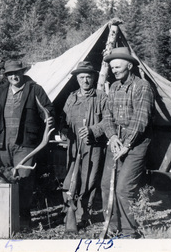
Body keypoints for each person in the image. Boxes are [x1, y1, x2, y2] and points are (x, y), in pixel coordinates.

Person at [0, 60, 54, 230]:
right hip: (3, 143)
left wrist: (48, 117)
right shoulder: (1, 92)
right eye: (10, 74)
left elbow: (49, 108)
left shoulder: (35, 89)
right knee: (3, 180)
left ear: (22, 72)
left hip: (25, 144)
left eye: (17, 73)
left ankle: (24, 217)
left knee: (24, 180)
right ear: (6, 76)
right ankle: (5, 217)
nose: (14, 76)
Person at [93, 47, 154, 239]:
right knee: (105, 185)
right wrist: (112, 137)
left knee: (123, 188)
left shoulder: (142, 86)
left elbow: (140, 120)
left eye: (117, 67)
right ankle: (113, 226)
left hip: (136, 144)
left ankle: (130, 232)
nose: (114, 70)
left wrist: (126, 145)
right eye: (112, 68)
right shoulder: (115, 88)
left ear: (129, 65)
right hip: (117, 142)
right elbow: (107, 116)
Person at [60, 61, 108, 232]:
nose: (85, 81)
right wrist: (65, 132)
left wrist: (92, 130)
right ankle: (68, 211)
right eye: (82, 77)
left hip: (93, 146)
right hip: (73, 146)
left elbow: (109, 121)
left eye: (88, 77)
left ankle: (83, 215)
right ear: (77, 79)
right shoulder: (71, 97)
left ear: (94, 78)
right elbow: (64, 122)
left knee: (89, 180)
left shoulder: (101, 97)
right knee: (70, 180)